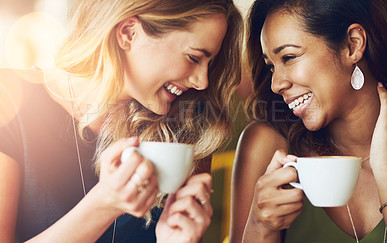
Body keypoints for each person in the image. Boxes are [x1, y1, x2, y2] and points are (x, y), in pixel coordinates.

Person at [0, 0, 243, 242]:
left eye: (209, 64)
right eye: (193, 57)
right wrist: (104, 204)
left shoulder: (185, 126)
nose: (202, 82)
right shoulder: (9, 99)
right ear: (128, 33)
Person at [229, 0, 387, 242]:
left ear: (353, 45)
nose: (276, 84)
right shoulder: (268, 147)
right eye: (271, 66)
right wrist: (260, 226)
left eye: (289, 57)